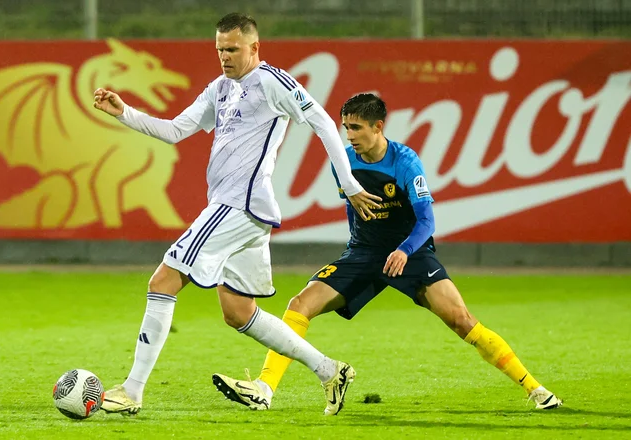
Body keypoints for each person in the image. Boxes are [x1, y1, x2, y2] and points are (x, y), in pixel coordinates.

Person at [92, 13, 382, 416]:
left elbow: (322, 122)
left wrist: (348, 185)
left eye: (232, 49)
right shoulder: (220, 88)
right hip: (249, 214)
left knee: (163, 280)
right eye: (219, 50)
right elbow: (176, 130)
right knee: (238, 311)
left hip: (238, 206)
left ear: (254, 48)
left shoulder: (272, 82)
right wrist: (125, 113)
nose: (224, 57)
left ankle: (132, 391)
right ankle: (329, 369)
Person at [213, 93, 563, 413]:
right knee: (299, 305)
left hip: (410, 253)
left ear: (378, 127)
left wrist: (404, 250)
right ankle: (265, 389)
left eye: (356, 127)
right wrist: (357, 248)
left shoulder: (406, 162)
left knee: (461, 320)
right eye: (345, 126)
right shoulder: (344, 160)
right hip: (364, 253)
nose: (348, 135)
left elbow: (427, 220)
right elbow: (353, 208)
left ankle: (535, 389)